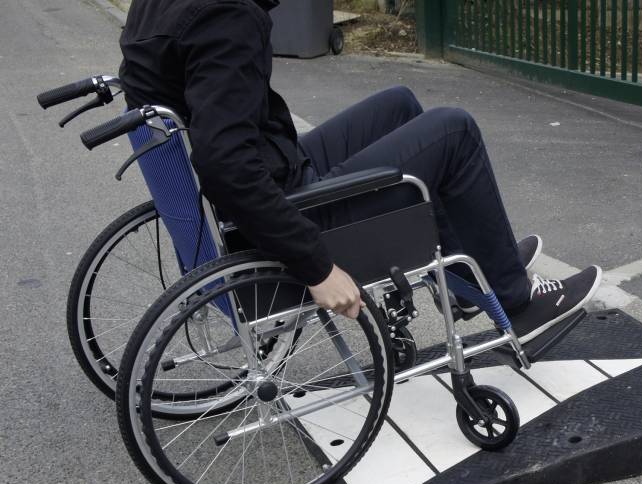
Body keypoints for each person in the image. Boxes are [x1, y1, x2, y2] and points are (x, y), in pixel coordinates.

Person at [118, 0, 601, 342]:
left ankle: (467, 276)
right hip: (291, 215)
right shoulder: (228, 18)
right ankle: (516, 303)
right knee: (454, 131)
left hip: (273, 176)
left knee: (399, 104)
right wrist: (316, 266)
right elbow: (223, 163)